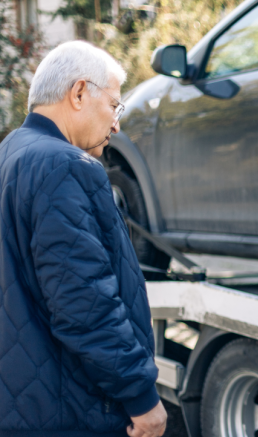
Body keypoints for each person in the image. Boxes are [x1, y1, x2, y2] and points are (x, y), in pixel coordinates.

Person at [0, 41, 166, 436]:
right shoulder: (63, 166)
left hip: (23, 403)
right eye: (113, 105)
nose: (116, 123)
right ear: (78, 93)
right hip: (66, 409)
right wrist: (140, 397)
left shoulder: (10, 153)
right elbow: (84, 302)